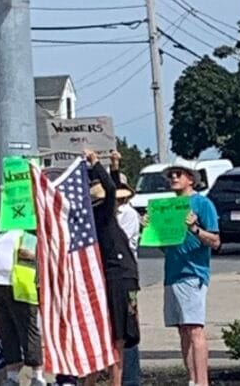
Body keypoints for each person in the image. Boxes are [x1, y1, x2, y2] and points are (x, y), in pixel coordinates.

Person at [143, 159, 220, 386]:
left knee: (195, 328)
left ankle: (203, 382)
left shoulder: (202, 204)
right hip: (172, 274)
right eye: (171, 175)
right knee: (183, 329)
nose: (173, 178)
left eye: (178, 173)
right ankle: (192, 379)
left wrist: (195, 228)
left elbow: (215, 241)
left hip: (193, 274)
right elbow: (164, 246)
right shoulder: (167, 206)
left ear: (190, 178)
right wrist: (150, 229)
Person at [84, 150, 140, 386]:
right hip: (118, 278)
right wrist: (97, 163)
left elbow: (111, 186)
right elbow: (109, 188)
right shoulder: (103, 216)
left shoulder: (99, 216)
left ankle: (91, 382)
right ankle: (114, 383)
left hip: (120, 277)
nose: (120, 201)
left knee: (117, 335)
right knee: (117, 337)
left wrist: (114, 165)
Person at [0, 228, 45, 386]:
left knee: (28, 330)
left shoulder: (29, 233)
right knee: (7, 332)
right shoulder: (2, 230)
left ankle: (37, 375)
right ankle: (12, 375)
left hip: (20, 286)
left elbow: (31, 259)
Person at [112, 157, 142, 386]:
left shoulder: (129, 215)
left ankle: (130, 379)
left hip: (127, 277)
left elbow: (121, 243)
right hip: (113, 278)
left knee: (129, 329)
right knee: (115, 330)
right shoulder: (106, 215)